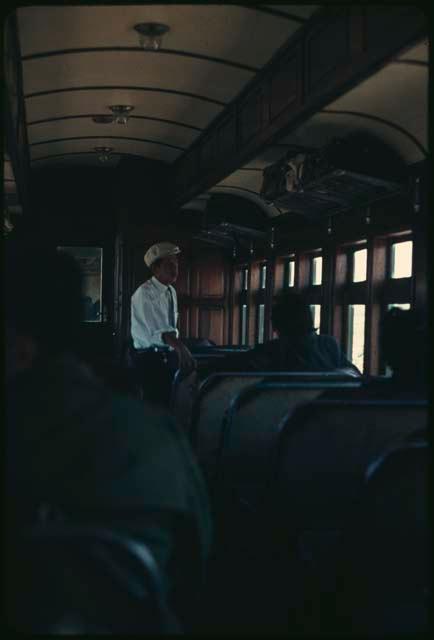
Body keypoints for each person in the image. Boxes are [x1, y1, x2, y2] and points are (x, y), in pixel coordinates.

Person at [5, 239, 212, 630]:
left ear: (19, 345)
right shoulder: (155, 437)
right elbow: (192, 576)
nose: (175, 271)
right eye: (170, 265)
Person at [220, 291, 360, 374]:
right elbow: (354, 375)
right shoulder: (329, 345)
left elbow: (230, 365)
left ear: (277, 325)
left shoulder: (272, 351)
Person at [131, 242, 195, 373]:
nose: (175, 269)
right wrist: (181, 348)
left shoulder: (171, 291)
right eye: (169, 265)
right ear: (155, 269)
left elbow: (169, 330)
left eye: (176, 264)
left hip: (168, 355)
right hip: (149, 359)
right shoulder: (144, 293)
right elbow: (158, 334)